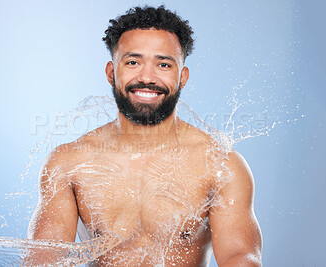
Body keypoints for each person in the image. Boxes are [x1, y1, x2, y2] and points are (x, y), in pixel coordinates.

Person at [28, 5, 262, 266]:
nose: (147, 77)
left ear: (182, 77)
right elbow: (44, 257)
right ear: (111, 72)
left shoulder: (220, 165)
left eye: (163, 64)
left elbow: (240, 256)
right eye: (132, 62)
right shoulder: (69, 163)